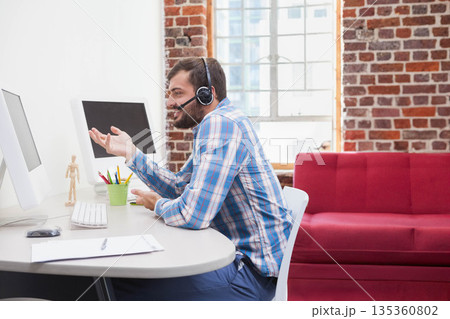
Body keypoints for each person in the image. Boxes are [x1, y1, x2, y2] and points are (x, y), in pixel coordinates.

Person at [89, 57, 293, 301]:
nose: (169, 102)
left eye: (177, 93)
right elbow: (178, 187)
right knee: (127, 276)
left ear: (207, 94)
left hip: (249, 275)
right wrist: (131, 153)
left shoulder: (220, 124)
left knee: (117, 285)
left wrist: (158, 205)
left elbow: (194, 215)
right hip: (246, 265)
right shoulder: (220, 121)